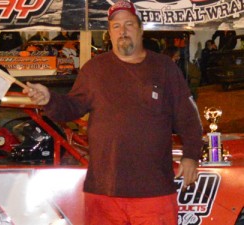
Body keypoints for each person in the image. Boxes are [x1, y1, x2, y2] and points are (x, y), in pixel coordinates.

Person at [23, 1, 203, 224]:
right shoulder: (94, 69)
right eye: (116, 26)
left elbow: (188, 116)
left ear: (140, 29)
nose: (123, 31)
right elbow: (71, 107)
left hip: (153, 192)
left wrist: (192, 155)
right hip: (104, 192)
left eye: (128, 24)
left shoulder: (164, 68)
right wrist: (49, 98)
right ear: (109, 32)